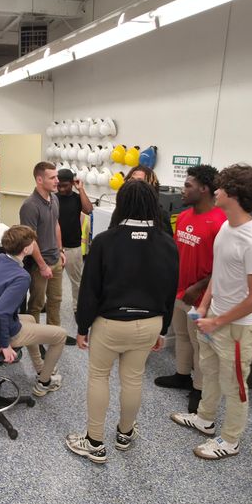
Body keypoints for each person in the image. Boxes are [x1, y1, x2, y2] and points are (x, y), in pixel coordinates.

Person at [65, 180, 179, 464]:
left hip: (111, 323)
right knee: (133, 379)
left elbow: (89, 289)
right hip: (150, 322)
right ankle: (125, 433)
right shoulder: (167, 242)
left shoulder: (105, 240)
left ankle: (94, 442)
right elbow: (170, 289)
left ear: (121, 204)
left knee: (99, 377)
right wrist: (162, 330)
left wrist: (82, 327)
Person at [169, 163, 252, 459]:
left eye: (222, 188)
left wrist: (218, 321)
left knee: (235, 386)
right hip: (213, 316)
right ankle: (204, 419)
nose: (217, 191)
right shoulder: (227, 226)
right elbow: (219, 273)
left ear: (234, 195)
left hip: (237, 328)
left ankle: (230, 440)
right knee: (210, 373)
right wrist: (203, 307)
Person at [154, 165, 226, 413]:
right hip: (180, 292)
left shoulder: (220, 223)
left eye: (188, 185)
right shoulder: (183, 217)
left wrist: (201, 287)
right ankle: (182, 375)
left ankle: (199, 388)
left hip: (202, 298)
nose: (182, 190)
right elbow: (177, 254)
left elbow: (224, 267)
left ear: (204, 189)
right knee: (182, 336)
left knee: (200, 345)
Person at [0, 224, 67, 397]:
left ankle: (41, 368)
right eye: (33, 243)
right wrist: (4, 345)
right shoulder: (21, 276)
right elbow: (0, 312)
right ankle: (44, 383)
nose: (35, 245)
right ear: (26, 249)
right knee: (60, 335)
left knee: (31, 319)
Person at [19, 162, 75, 340]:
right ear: (39, 179)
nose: (57, 181)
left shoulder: (54, 198)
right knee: (36, 304)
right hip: (39, 264)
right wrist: (42, 266)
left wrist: (60, 250)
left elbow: (56, 225)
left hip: (55, 259)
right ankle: (34, 340)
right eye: (53, 177)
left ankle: (54, 335)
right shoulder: (30, 205)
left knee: (55, 300)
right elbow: (30, 240)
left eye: (57, 177)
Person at [56, 168, 93, 318]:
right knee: (53, 280)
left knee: (76, 281)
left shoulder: (77, 198)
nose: (62, 189)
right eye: (59, 185)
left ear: (72, 183)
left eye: (65, 185)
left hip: (73, 246)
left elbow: (89, 209)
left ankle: (78, 307)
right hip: (55, 247)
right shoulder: (53, 198)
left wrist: (81, 189)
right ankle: (50, 303)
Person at [124, 164, 174, 236]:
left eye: (140, 181)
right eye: (132, 180)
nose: (134, 184)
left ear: (151, 188)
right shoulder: (122, 210)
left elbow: (166, 244)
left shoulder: (159, 215)